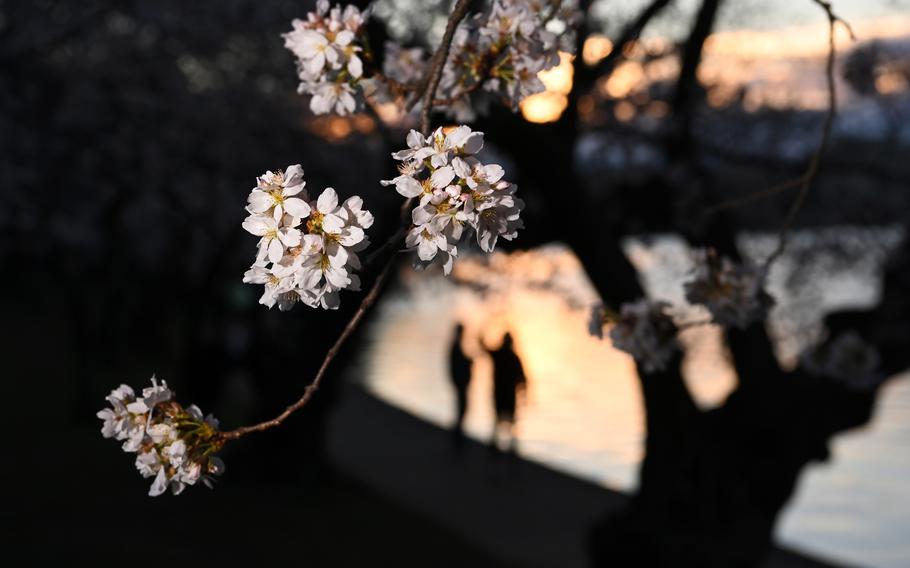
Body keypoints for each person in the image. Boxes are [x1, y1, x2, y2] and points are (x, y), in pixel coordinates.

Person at [487, 332, 526, 452]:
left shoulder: (501, 354)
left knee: (503, 420)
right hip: (505, 394)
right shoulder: (509, 356)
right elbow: (522, 378)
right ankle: (505, 445)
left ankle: (501, 444)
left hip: (504, 394)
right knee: (505, 420)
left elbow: (522, 378)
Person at [448, 323, 473, 452]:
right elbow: (458, 366)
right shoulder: (456, 347)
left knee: (461, 410)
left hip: (460, 384)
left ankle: (458, 437)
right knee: (462, 410)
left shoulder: (455, 346)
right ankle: (458, 438)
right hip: (461, 384)